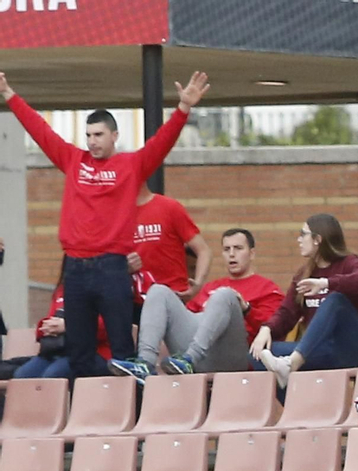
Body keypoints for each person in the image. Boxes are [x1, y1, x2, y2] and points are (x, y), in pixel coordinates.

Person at [1, 70, 209, 378]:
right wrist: (9, 95)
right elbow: (41, 131)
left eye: (98, 134)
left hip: (112, 268)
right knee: (78, 356)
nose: (92, 141)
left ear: (114, 136)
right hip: (75, 268)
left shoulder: (131, 165)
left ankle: (132, 402)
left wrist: (183, 108)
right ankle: (91, 403)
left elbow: (161, 143)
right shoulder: (74, 161)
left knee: (123, 351)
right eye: (88, 135)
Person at [124, 227, 285, 377]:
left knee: (225, 295)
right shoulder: (210, 287)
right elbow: (188, 320)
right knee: (158, 291)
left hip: (234, 357)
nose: (232, 254)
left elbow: (277, 329)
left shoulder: (267, 288)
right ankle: (145, 364)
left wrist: (246, 309)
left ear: (252, 254)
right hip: (199, 355)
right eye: (227, 249)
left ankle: (189, 359)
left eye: (238, 248)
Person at [251, 213, 358, 388]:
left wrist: (326, 283)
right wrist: (267, 329)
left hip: (357, 348)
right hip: (322, 350)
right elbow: (286, 313)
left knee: (335, 301)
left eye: (303, 234)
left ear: (318, 239)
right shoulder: (304, 274)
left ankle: (291, 364)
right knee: (258, 354)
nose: (299, 240)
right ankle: (291, 401)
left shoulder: (349, 263)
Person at [131, 182, 209, 301]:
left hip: (173, 296)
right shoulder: (116, 216)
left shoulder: (169, 207)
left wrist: (197, 285)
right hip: (135, 299)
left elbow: (203, 251)